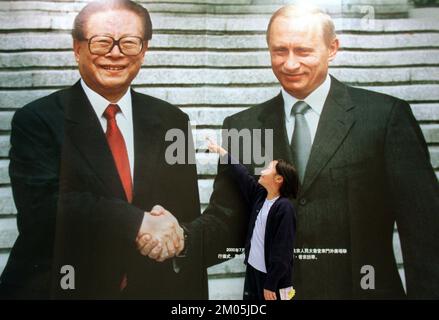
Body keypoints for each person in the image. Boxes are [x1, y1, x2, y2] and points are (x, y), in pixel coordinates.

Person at [202, 4, 439, 299]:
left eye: (303, 51)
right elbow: (227, 220)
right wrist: (180, 240)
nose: (289, 64)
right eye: (279, 51)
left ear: (332, 48)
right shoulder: (242, 127)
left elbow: (426, 236)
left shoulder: (386, 118)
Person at [0, 0, 207, 300]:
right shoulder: (37, 120)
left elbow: (185, 217)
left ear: (144, 50)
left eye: (129, 43)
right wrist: (137, 223)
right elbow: (43, 211)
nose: (115, 53)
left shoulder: (173, 121)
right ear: (77, 47)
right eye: (101, 43)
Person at [207, 138, 297, 301]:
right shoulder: (260, 196)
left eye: (268, 168)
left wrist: (271, 283)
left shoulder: (284, 208)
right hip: (253, 271)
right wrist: (221, 152)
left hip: (272, 281)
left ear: (278, 179)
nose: (262, 171)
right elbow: (242, 174)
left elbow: (283, 253)